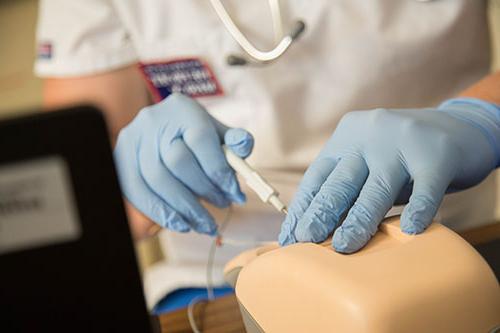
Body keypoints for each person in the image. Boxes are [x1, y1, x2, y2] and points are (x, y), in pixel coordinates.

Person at [36, 0, 499, 303]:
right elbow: (79, 192)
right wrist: (131, 184)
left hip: (442, 231)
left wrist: (480, 118)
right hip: (217, 276)